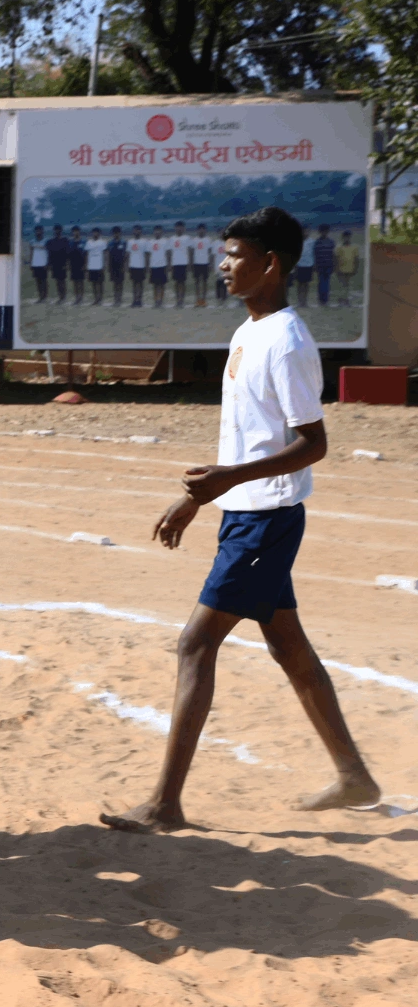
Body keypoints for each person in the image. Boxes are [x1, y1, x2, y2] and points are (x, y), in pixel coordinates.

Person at [101, 206, 381, 835]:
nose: (223, 265)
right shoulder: (248, 331)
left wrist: (227, 482)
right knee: (287, 645)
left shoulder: (287, 340)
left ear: (270, 263)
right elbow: (250, 441)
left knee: (196, 644)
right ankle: (354, 776)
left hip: (266, 522)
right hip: (248, 515)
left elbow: (313, 443)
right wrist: (203, 497)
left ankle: (164, 805)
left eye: (235, 255)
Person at [45, 225, 71, 306]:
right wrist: (49, 264)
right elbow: (49, 254)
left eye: (58, 230)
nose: (57, 231)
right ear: (54, 231)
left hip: (62, 263)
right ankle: (60, 296)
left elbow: (67, 253)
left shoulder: (65, 240)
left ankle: (64, 297)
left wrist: (67, 263)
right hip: (54, 263)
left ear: (61, 231)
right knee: (57, 281)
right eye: (56, 230)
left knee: (62, 280)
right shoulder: (50, 242)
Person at [312, 225, 336, 308]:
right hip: (320, 266)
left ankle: (325, 300)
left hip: (328, 265)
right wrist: (315, 265)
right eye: (322, 231)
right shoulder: (317, 242)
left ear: (328, 232)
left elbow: (333, 254)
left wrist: (333, 265)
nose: (324, 233)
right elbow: (315, 255)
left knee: (327, 283)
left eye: (325, 231)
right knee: (321, 283)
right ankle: (321, 300)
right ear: (320, 232)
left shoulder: (331, 242)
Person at [334, 230, 359, 307]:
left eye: (348, 237)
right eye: (345, 237)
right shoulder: (339, 247)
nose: (346, 239)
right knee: (342, 285)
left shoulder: (354, 247)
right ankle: (341, 300)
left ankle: (346, 300)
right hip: (341, 269)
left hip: (350, 269)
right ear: (343, 238)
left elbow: (356, 259)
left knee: (347, 286)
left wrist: (355, 269)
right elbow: (336, 258)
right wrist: (337, 269)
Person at [191, 223, 212, 307]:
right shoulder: (194, 240)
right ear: (197, 231)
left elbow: (210, 253)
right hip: (196, 263)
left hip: (205, 263)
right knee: (197, 282)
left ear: (205, 230)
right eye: (200, 229)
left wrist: (210, 263)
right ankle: (198, 300)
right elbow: (192, 253)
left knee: (204, 282)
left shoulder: (208, 240)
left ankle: (203, 300)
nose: (201, 231)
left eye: (203, 229)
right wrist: (191, 263)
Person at [85, 227, 107, 306]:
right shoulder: (89, 242)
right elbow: (87, 254)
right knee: (93, 283)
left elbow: (105, 254)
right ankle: (95, 299)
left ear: (99, 233)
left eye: (97, 232)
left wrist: (104, 264)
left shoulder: (103, 242)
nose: (95, 234)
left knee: (100, 283)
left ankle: (100, 298)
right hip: (91, 265)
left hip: (99, 265)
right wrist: (87, 265)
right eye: (94, 232)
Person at [147, 224, 169, 308]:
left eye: (159, 231)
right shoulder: (150, 242)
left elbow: (168, 254)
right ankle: (156, 300)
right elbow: (148, 255)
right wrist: (148, 266)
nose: (157, 233)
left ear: (161, 232)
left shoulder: (165, 241)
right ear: (153, 232)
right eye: (156, 231)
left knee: (162, 284)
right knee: (155, 285)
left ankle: (161, 300)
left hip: (162, 265)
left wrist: (168, 265)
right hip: (154, 265)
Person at [126, 224, 147, 307]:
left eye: (138, 230)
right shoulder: (130, 242)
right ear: (133, 231)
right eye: (135, 230)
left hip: (141, 265)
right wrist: (127, 265)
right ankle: (134, 300)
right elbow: (128, 254)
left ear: (141, 231)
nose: (136, 232)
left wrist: (146, 266)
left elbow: (146, 255)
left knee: (140, 283)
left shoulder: (144, 241)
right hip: (133, 265)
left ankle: (140, 300)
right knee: (134, 283)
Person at [170, 221, 190, 308]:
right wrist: (170, 264)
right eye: (177, 227)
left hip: (184, 263)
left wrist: (189, 263)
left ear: (184, 228)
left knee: (182, 282)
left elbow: (190, 251)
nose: (179, 229)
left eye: (181, 227)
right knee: (176, 282)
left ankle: (182, 300)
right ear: (175, 228)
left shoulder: (187, 238)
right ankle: (177, 299)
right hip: (175, 263)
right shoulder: (172, 239)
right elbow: (170, 252)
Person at [107, 226, 127, 307]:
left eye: (117, 233)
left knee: (120, 283)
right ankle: (116, 299)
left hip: (121, 265)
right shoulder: (110, 243)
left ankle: (120, 299)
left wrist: (125, 266)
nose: (116, 234)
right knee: (115, 283)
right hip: (113, 266)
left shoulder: (123, 243)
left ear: (120, 233)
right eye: (114, 233)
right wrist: (108, 266)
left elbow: (126, 255)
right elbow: (109, 255)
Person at [29, 225, 49, 304]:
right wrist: (31, 263)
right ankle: (40, 297)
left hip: (43, 263)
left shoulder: (46, 241)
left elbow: (48, 253)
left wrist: (47, 263)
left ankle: (45, 297)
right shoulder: (32, 241)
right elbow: (31, 252)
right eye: (37, 231)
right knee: (38, 281)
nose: (38, 232)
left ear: (42, 231)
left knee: (44, 281)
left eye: (40, 230)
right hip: (35, 263)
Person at [67, 224, 87, 305]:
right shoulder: (70, 242)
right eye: (74, 231)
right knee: (75, 281)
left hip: (81, 264)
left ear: (79, 232)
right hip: (73, 264)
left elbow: (86, 254)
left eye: (77, 231)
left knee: (81, 281)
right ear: (72, 232)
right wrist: (68, 264)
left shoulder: (83, 242)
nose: (75, 233)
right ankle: (76, 297)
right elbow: (68, 255)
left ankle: (81, 297)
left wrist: (85, 264)